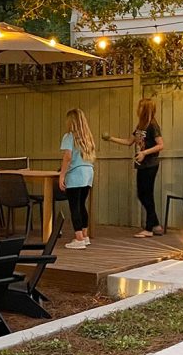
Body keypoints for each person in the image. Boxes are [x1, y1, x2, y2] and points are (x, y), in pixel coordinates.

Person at [104, 98, 164, 237]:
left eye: (141, 107)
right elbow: (129, 141)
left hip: (150, 164)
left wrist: (144, 152)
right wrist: (111, 138)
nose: (138, 109)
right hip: (141, 165)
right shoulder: (140, 126)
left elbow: (161, 145)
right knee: (142, 194)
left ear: (146, 109)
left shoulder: (152, 125)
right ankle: (155, 225)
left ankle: (149, 229)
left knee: (146, 194)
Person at [59, 108, 96, 250]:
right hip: (88, 174)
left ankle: (78, 238)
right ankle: (85, 235)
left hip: (75, 175)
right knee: (81, 205)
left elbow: (67, 157)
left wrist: (62, 175)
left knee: (74, 206)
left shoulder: (69, 137)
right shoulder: (88, 138)